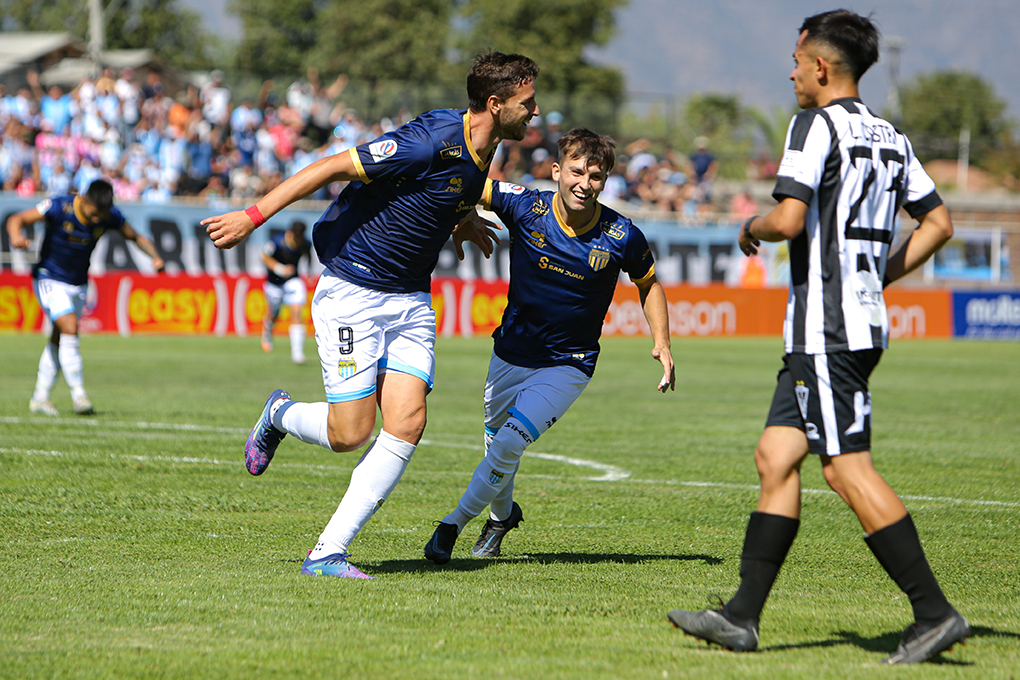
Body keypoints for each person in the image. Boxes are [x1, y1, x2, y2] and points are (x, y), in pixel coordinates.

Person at [666, 10, 966, 665]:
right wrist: (876, 273)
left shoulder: (816, 124)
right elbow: (938, 223)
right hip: (848, 324)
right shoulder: (891, 137)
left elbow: (791, 217)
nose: (792, 73)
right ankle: (741, 617)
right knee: (776, 457)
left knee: (844, 467)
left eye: (797, 62)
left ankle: (934, 614)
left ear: (821, 66)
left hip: (827, 330)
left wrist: (752, 226)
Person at [201, 52, 540, 579]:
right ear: (495, 104)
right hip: (354, 291)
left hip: (410, 299)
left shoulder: (488, 143)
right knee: (350, 433)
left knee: (408, 421)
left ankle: (327, 552)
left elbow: (446, 189)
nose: (535, 111)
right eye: (527, 102)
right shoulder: (430, 140)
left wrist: (464, 220)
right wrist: (252, 216)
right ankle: (280, 415)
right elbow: (332, 165)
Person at [423, 128, 675, 565]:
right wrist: (463, 216)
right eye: (577, 171)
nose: (585, 183)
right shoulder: (526, 205)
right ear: (557, 171)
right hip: (510, 352)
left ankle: (451, 525)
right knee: (496, 446)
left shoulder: (622, 235)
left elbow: (648, 283)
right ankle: (502, 518)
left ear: (606, 180)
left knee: (508, 444)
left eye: (596, 176)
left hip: (568, 363)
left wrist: (662, 342)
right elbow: (465, 182)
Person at [6, 179, 164, 415]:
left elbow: (135, 237)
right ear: (84, 199)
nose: (97, 219)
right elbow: (16, 219)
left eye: (102, 215)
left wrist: (155, 256)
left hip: (78, 284)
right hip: (48, 278)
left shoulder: (110, 216)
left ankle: (39, 398)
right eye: (93, 214)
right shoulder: (58, 206)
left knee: (59, 337)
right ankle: (79, 395)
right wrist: (16, 235)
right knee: (69, 326)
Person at [260, 221, 312, 363]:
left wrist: (309, 274)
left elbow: (308, 257)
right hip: (274, 283)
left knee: (296, 312)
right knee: (274, 313)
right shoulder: (276, 241)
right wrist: (280, 269)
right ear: (290, 233)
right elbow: (264, 256)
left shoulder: (305, 244)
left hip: (292, 281)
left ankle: (297, 354)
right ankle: (267, 332)